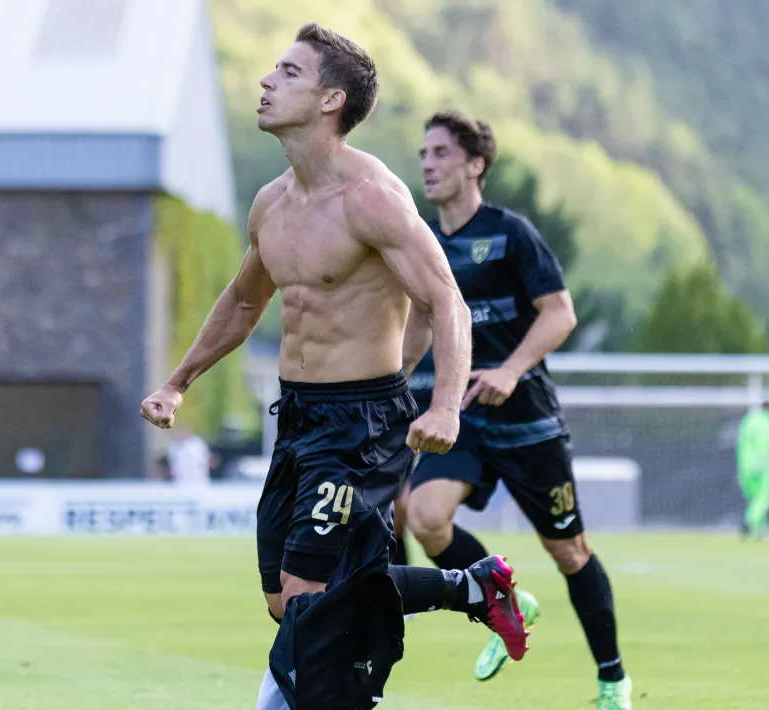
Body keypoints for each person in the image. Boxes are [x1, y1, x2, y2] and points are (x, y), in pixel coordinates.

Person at [140, 25, 528, 710]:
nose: (265, 81)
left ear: (330, 100)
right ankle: (472, 587)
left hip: (361, 423)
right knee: (280, 600)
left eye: (288, 72)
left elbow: (447, 301)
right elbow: (242, 301)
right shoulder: (272, 203)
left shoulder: (372, 198)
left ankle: (337, 694)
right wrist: (178, 381)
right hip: (297, 417)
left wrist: (445, 406)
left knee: (305, 597)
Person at [399, 110, 632, 709]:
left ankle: (612, 681)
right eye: (424, 153)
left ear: (476, 165)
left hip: (527, 422)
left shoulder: (511, 234)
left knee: (570, 552)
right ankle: (502, 597)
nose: (428, 162)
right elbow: (421, 322)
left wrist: (509, 369)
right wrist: (394, 383)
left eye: (442, 153)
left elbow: (559, 312)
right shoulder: (421, 242)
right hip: (460, 419)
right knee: (424, 518)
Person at [736, 401, 769, 540]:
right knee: (763, 497)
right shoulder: (766, 423)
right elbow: (763, 446)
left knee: (752, 498)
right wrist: (760, 464)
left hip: (745, 466)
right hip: (762, 466)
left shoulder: (748, 420)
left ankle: (760, 530)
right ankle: (750, 522)